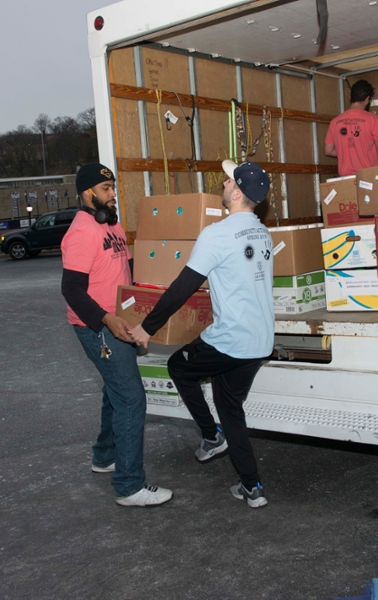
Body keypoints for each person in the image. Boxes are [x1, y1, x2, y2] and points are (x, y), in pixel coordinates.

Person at [130, 160, 275, 509]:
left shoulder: (218, 233)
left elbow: (182, 288)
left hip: (231, 339)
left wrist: (145, 327)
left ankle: (211, 436)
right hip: (260, 341)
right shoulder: (261, 232)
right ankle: (251, 487)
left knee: (179, 367)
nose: (223, 184)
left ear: (237, 192)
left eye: (228, 180)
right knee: (230, 406)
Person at [60, 162, 173, 508]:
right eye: (106, 190)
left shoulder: (113, 226)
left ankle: (104, 456)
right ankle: (128, 485)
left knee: (115, 391)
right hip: (98, 327)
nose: (113, 196)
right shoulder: (81, 233)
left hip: (117, 321)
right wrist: (107, 320)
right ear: (87, 193)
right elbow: (72, 289)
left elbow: (123, 270)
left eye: (113, 189)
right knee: (130, 398)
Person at [324, 79, 378, 176]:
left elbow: (328, 151)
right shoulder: (374, 119)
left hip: (345, 179)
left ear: (350, 97)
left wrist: (347, 152)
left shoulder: (335, 122)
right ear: (367, 99)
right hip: (368, 177)